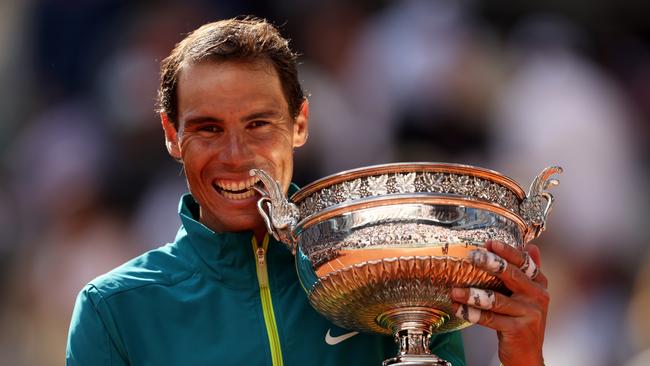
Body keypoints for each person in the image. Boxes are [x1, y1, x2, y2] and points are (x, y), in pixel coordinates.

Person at [66, 17, 548, 366]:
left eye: (259, 124)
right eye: (208, 129)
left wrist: (524, 358)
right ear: (172, 135)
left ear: (300, 124)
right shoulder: (116, 310)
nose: (235, 155)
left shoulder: (394, 268)